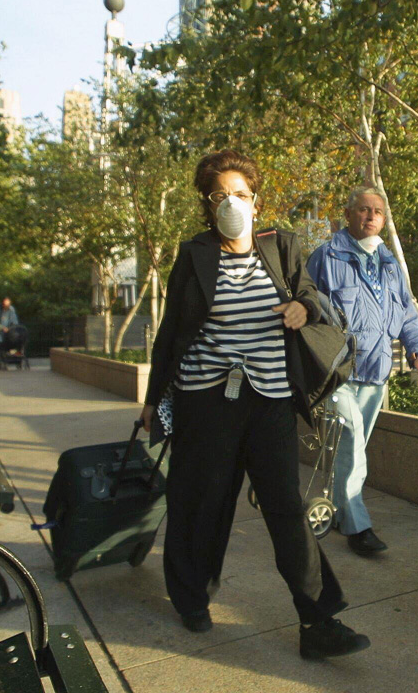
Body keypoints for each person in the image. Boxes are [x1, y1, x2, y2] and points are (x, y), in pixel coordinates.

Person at [140, 149, 369, 660]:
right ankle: (192, 598)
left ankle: (319, 623)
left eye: (240, 195)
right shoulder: (194, 254)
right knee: (201, 504)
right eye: (220, 196)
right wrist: (154, 399)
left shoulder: (282, 247)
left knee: (286, 510)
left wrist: (300, 306)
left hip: (269, 400)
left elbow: (314, 298)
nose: (231, 204)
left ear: (256, 202)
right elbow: (171, 332)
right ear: (207, 204)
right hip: (205, 402)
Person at [307, 187, 418, 556]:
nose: (372, 216)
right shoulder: (325, 257)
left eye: (378, 210)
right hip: (339, 373)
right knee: (351, 446)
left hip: (377, 374)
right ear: (347, 215)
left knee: (353, 449)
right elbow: (305, 307)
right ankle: (359, 528)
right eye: (364, 209)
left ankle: (342, 514)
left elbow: (407, 313)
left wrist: (416, 351)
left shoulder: (390, 263)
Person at [0, 296, 20, 370]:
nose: (6, 306)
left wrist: (11, 329)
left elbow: (15, 322)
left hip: (7, 331)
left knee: (11, 341)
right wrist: (1, 327)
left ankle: (6, 360)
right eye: (5, 304)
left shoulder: (11, 309)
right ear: (2, 304)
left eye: (8, 305)